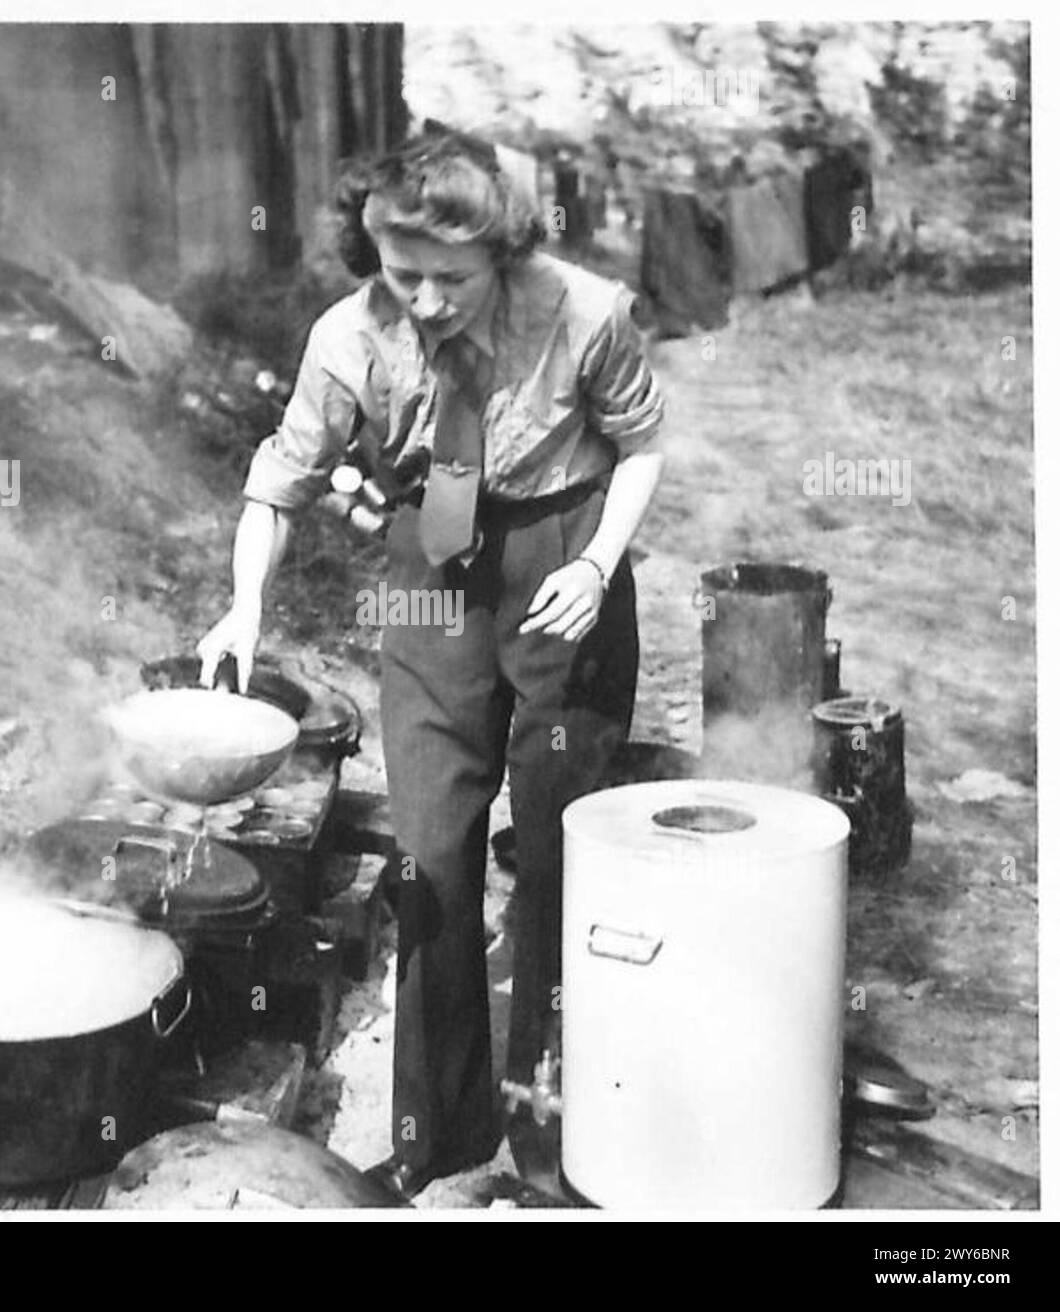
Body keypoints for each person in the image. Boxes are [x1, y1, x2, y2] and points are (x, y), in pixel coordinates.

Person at [197, 132, 665, 1200]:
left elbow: (641, 446)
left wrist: (597, 564)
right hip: (432, 571)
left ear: (502, 249)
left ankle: (554, 1130)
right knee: (428, 854)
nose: (423, 298)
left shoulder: (585, 314)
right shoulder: (346, 337)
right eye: (399, 272)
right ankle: (437, 1131)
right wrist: (245, 604)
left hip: (562, 558)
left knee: (556, 852)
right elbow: (280, 483)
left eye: (448, 278)